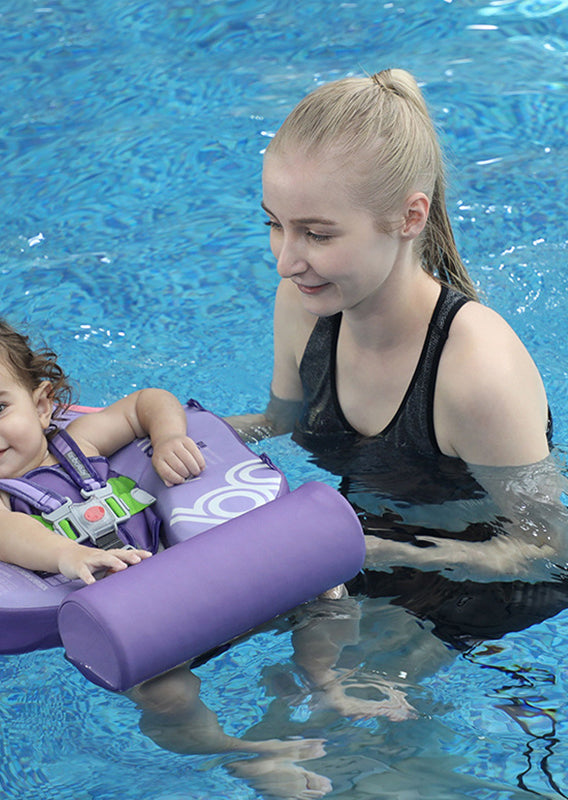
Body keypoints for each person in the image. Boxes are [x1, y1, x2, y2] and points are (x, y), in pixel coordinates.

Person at [225, 68, 568, 720]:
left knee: (349, 735)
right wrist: (176, 434)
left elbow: (552, 554)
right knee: (173, 659)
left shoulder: (476, 374)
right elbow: (280, 422)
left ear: (409, 217)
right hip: (358, 542)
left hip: (474, 578)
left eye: (317, 234)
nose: (285, 259)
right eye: (275, 224)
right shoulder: (304, 307)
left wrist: (376, 550)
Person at [0, 315, 206, 585]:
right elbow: (1, 534)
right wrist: (69, 554)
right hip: (107, 595)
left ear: (41, 406)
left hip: (172, 557)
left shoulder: (77, 443)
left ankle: (258, 420)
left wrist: (169, 437)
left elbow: (145, 402)